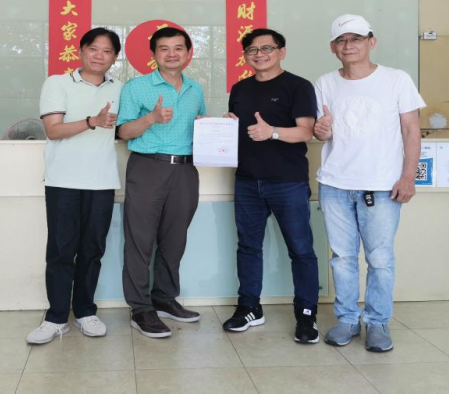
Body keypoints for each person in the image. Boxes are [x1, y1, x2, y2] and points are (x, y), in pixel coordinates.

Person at [314, 14, 424, 352]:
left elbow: (411, 130)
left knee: (380, 259)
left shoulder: (396, 79)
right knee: (342, 258)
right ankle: (347, 318)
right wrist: (321, 130)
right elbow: (322, 132)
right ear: (333, 47)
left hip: (382, 185)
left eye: (356, 38)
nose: (348, 45)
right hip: (335, 184)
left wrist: (408, 176)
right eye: (342, 40)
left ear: (371, 42)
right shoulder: (325, 83)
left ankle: (377, 322)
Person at [223, 28, 321, 344]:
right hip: (247, 180)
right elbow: (242, 131)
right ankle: (249, 307)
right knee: (248, 247)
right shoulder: (240, 88)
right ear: (246, 56)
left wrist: (273, 132)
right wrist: (225, 127)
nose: (260, 54)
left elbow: (306, 131)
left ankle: (306, 314)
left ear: (281, 52)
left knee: (301, 250)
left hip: (288, 182)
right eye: (252, 50)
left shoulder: (299, 86)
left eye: (267, 48)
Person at [26, 27, 123, 344]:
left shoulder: (120, 88)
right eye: (93, 48)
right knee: (60, 251)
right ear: (81, 50)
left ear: (115, 57)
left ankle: (85, 312)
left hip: (102, 182)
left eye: (107, 51)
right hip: (63, 181)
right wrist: (92, 121)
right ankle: (55, 318)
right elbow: (53, 130)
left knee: (92, 250)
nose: (99, 56)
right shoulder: (57, 83)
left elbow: (127, 129)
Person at [117, 27, 206, 338]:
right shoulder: (137, 87)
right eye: (164, 48)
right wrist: (151, 118)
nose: (172, 54)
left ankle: (165, 299)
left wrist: (218, 127)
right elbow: (123, 132)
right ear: (154, 54)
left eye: (178, 48)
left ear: (188, 52)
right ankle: (141, 308)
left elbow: (200, 127)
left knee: (174, 239)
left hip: (185, 170)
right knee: (140, 241)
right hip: (148, 167)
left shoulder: (195, 89)